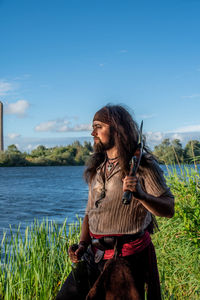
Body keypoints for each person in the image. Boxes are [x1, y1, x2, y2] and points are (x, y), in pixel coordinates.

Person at [56, 105, 174, 300]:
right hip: (93, 256)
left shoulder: (143, 165)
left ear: (117, 128)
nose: (92, 132)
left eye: (98, 126)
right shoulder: (97, 167)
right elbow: (89, 213)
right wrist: (83, 244)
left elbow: (169, 208)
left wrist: (142, 196)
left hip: (125, 260)